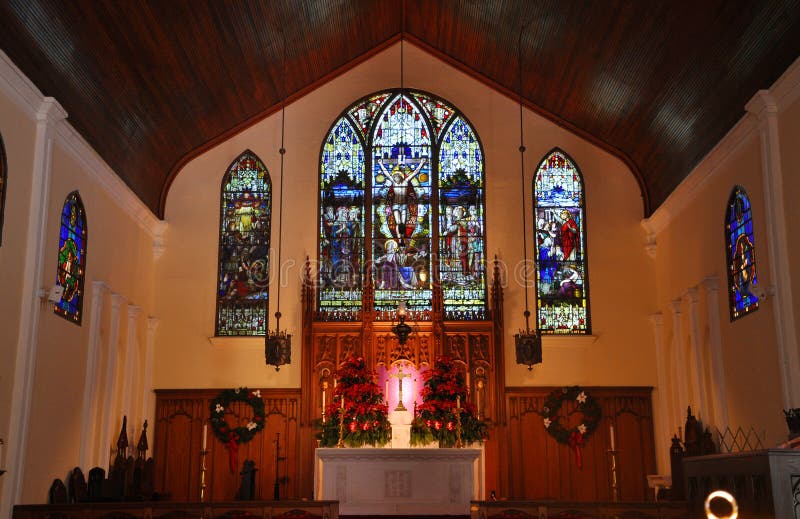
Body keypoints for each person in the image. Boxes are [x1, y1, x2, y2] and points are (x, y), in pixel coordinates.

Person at [377, 155, 427, 244]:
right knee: (398, 222)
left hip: (404, 206)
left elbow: (415, 173)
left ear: (400, 177)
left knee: (403, 224)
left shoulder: (405, 182)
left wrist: (421, 163)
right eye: (394, 177)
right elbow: (386, 173)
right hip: (396, 205)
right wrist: (381, 164)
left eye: (397, 176)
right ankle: (400, 240)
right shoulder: (394, 183)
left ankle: (403, 239)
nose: (396, 178)